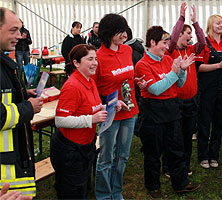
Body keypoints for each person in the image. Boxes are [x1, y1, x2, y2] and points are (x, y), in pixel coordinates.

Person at [50, 44, 127, 199]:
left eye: (96, 59)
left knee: (83, 188)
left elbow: (93, 106)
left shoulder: (90, 80)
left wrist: (111, 106)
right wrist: (91, 119)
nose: (95, 63)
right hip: (69, 149)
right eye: (90, 59)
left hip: (86, 145)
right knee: (72, 191)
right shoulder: (72, 86)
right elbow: (60, 120)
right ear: (76, 63)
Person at [135, 25, 200, 198]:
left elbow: (178, 84)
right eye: (164, 43)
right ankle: (153, 185)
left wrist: (182, 71)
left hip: (171, 108)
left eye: (167, 43)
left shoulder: (166, 59)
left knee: (176, 148)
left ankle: (181, 183)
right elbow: (156, 89)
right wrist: (174, 73)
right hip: (153, 111)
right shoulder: (142, 64)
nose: (166, 47)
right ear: (152, 42)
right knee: (153, 151)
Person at [92, 13, 141, 200]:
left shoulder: (127, 51)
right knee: (106, 158)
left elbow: (127, 77)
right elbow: (93, 90)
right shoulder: (98, 57)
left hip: (130, 111)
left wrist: (137, 81)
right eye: (120, 31)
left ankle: (116, 191)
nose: (124, 34)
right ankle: (104, 195)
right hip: (110, 115)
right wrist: (109, 103)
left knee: (123, 156)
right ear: (109, 33)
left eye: (124, 29)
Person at [0, 7, 43, 198]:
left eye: (20, 29)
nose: (19, 36)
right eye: (13, 30)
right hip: (6, 172)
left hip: (14, 160)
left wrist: (22, 93)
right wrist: (29, 107)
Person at [164, 2, 205, 177]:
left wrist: (195, 23)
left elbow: (202, 42)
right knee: (174, 135)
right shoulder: (171, 50)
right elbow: (172, 39)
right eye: (187, 33)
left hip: (191, 100)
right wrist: (181, 18)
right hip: (176, 100)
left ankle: (185, 165)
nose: (190, 37)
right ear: (179, 33)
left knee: (188, 135)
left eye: (191, 34)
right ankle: (168, 166)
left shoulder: (191, 49)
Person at [197, 14, 222, 169]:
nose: (221, 25)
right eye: (218, 23)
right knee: (204, 122)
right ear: (210, 25)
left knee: (220, 123)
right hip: (208, 89)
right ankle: (203, 156)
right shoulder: (204, 43)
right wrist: (218, 66)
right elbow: (199, 67)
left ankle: (214, 155)